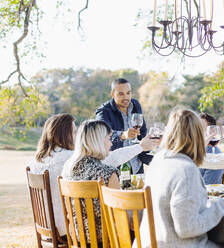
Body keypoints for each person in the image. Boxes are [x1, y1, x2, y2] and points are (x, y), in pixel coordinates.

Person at [28, 114, 157, 237]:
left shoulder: (37, 161)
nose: (77, 137)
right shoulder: (69, 159)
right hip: (67, 229)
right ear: (63, 135)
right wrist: (140, 147)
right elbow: (110, 159)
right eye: (73, 132)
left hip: (63, 228)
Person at [138, 109, 224, 248]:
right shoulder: (186, 170)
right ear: (197, 137)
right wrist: (222, 205)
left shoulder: (158, 160)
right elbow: (187, 228)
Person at [62, 120, 119, 243]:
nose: (111, 144)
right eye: (108, 139)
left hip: (77, 236)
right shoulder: (108, 174)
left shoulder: (68, 168)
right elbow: (118, 215)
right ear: (98, 141)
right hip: (104, 238)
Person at [96, 78, 155, 174]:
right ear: (112, 94)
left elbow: (142, 132)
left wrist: (151, 147)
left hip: (137, 167)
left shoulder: (135, 105)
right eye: (121, 94)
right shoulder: (103, 111)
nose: (126, 97)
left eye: (128, 93)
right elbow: (102, 135)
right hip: (115, 169)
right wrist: (123, 135)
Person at [199, 113, 224, 185]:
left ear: (212, 131)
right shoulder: (191, 152)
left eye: (200, 127)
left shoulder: (216, 159)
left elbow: (207, 189)